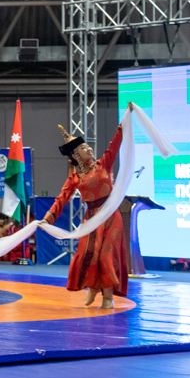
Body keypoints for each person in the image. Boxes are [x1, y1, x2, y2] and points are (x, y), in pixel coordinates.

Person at [39, 124, 127, 309]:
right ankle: (93, 287)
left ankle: (108, 297)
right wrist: (47, 219)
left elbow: (114, 145)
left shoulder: (104, 163)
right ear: (75, 155)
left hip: (110, 215)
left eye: (88, 146)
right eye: (83, 148)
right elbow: (61, 199)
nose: (89, 149)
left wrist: (122, 125)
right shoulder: (75, 178)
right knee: (88, 254)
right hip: (92, 219)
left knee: (106, 256)